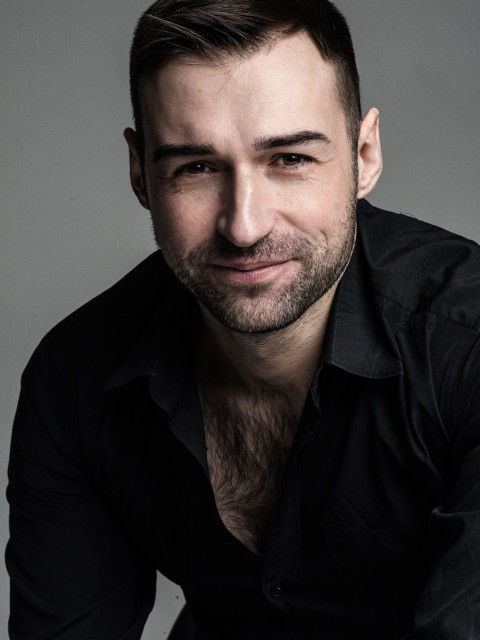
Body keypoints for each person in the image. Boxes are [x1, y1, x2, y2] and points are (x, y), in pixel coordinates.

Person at [6, 0, 480, 638]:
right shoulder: (76, 379)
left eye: (290, 159)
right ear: (140, 174)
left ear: (364, 155)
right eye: (196, 168)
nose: (244, 226)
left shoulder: (466, 347)